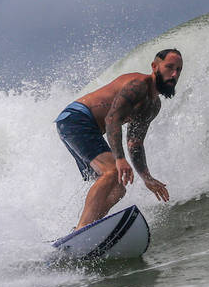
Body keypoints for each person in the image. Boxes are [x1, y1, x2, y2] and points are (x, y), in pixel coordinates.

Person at [55, 48, 183, 230]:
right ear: (155, 66)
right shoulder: (138, 85)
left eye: (178, 69)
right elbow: (112, 119)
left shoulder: (153, 105)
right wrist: (120, 159)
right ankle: (82, 229)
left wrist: (147, 178)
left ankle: (86, 231)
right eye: (169, 67)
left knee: (117, 189)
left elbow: (135, 143)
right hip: (76, 119)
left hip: (79, 126)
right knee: (112, 172)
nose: (174, 74)